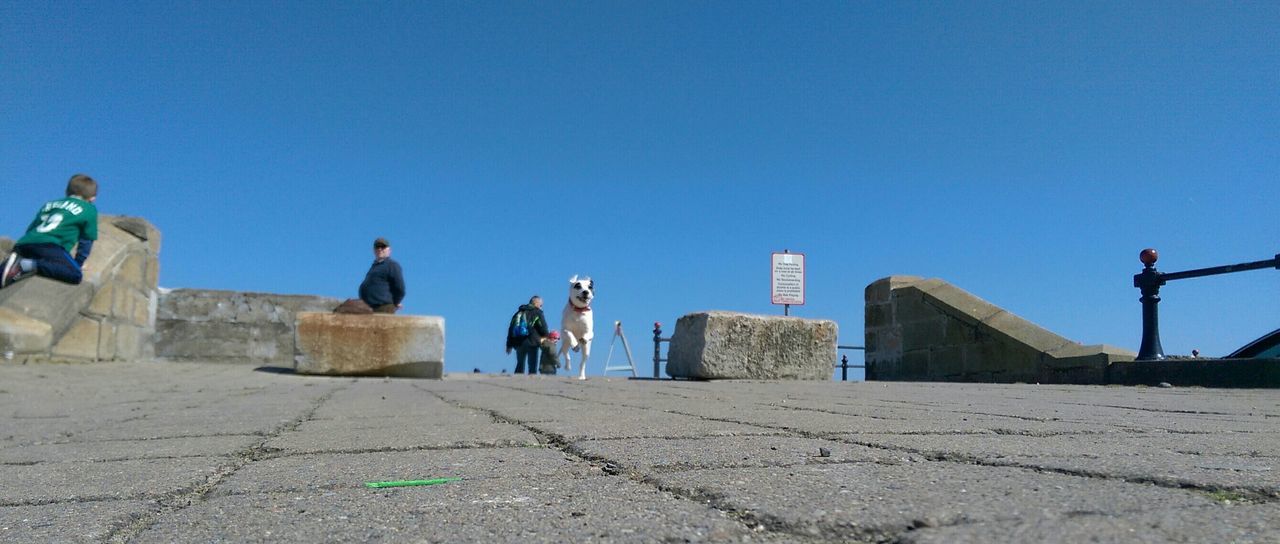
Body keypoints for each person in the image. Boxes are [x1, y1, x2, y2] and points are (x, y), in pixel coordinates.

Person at [3, 174, 99, 288]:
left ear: (67, 191)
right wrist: (78, 264)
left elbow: (32, 226)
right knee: (75, 274)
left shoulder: (50, 204)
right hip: (50, 247)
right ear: (92, 198)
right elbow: (86, 241)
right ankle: (25, 265)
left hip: (24, 243)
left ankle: (12, 264)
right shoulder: (89, 209)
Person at [358, 237, 405, 313]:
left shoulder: (392, 265)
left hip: (383, 308)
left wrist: (394, 303)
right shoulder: (374, 267)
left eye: (383, 247)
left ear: (389, 250)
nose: (380, 249)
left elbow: (400, 288)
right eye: (377, 247)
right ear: (374, 250)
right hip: (368, 309)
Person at [505, 295, 549, 375]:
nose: (541, 307)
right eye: (541, 305)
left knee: (520, 364)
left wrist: (509, 345)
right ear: (536, 303)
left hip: (519, 342)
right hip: (533, 342)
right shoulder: (537, 312)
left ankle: (516, 381)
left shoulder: (518, 313)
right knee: (532, 366)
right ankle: (531, 384)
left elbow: (511, 329)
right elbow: (543, 327)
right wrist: (546, 336)